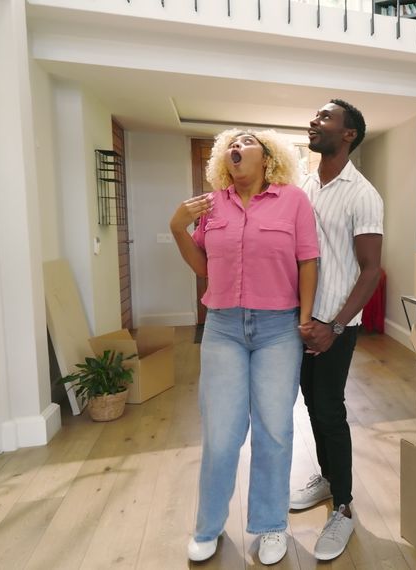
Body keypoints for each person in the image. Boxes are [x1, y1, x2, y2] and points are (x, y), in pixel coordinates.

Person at [170, 129, 319, 565]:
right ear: (223, 158)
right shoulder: (212, 204)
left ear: (268, 156)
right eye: (230, 144)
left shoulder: (293, 200)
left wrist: (305, 318)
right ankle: (208, 526)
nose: (237, 147)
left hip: (277, 329)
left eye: (248, 141)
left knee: (274, 429)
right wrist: (177, 226)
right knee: (220, 433)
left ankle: (271, 525)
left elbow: (307, 260)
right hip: (223, 327)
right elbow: (202, 266)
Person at [290, 99, 383, 561]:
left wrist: (336, 324)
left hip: (335, 325)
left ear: (348, 135)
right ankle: (328, 477)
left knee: (328, 408)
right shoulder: (306, 184)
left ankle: (343, 506)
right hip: (301, 321)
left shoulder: (362, 194)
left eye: (325, 117)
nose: (315, 121)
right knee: (311, 405)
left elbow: (370, 270)